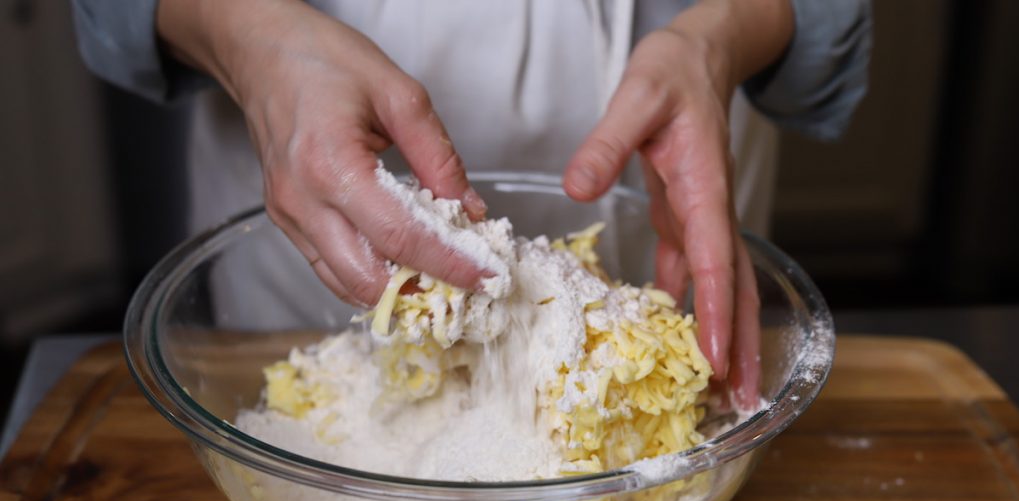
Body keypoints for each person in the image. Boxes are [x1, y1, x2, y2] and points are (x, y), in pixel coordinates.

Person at [72, 0, 871, 408]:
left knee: (681, 407)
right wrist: (243, 33)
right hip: (305, 116)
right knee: (326, 405)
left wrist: (724, 34)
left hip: (678, 116)